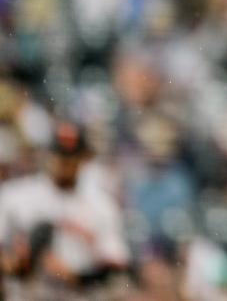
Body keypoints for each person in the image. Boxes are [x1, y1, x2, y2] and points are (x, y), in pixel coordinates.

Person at [0, 121, 130, 300]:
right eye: (58, 154)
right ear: (47, 153)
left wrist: (75, 277)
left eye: (70, 156)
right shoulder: (15, 195)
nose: (62, 162)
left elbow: (116, 269)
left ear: (84, 157)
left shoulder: (102, 205)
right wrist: (15, 264)